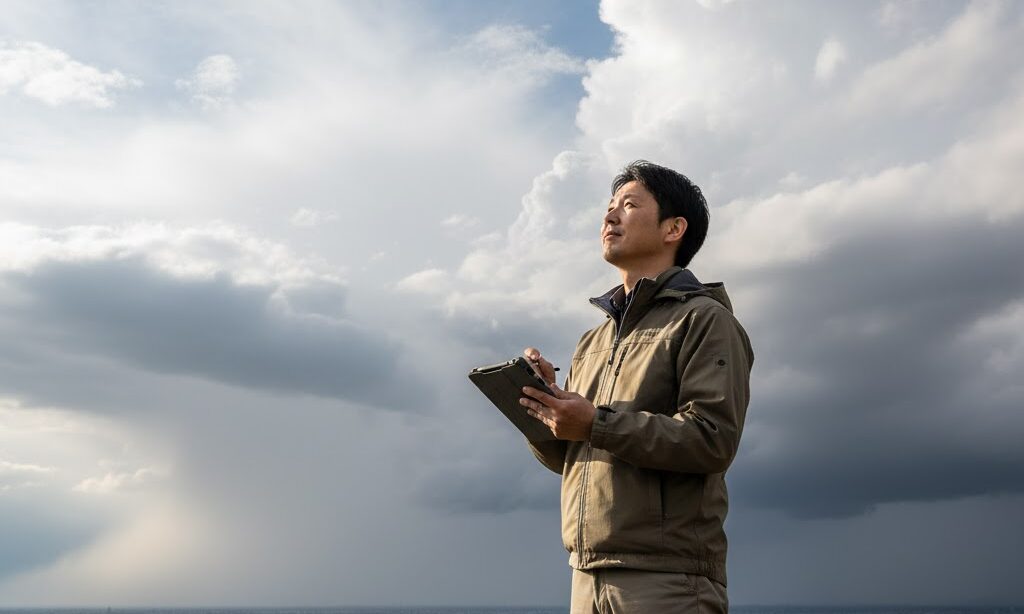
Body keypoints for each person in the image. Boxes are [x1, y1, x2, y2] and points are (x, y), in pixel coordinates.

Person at [518, 160, 754, 613]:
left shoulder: (705, 320)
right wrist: (539, 406)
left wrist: (594, 424)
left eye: (628, 205)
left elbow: (713, 440)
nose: (609, 216)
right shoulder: (593, 340)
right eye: (609, 206)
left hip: (666, 580)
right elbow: (571, 457)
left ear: (674, 229)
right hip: (585, 576)